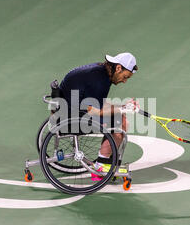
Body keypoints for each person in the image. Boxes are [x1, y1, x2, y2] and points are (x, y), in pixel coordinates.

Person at [58, 52, 139, 181]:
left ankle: (104, 163)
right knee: (121, 123)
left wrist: (123, 106)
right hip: (71, 119)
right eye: (125, 76)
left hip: (67, 112)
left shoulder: (100, 72)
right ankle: (100, 167)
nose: (124, 81)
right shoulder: (100, 80)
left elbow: (98, 104)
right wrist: (122, 109)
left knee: (118, 116)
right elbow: (96, 111)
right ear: (118, 68)